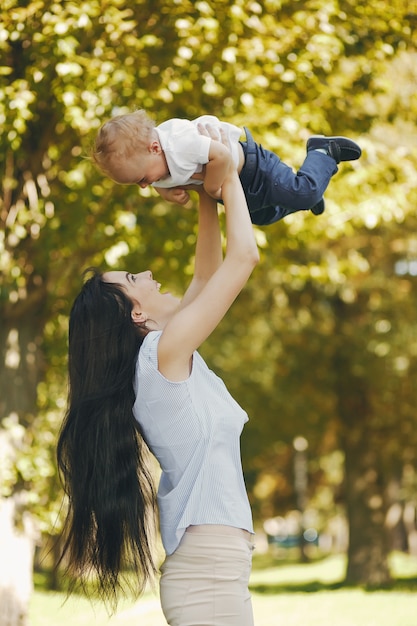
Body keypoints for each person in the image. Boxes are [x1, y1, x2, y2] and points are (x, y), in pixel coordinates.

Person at [56, 127, 260, 625]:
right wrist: (226, 171)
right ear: (134, 316)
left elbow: (206, 277)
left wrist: (202, 193)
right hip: (208, 571)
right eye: (131, 280)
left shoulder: (160, 354)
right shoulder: (162, 358)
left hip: (215, 567)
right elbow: (244, 258)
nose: (145, 274)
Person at [91, 110, 361, 225]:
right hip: (240, 189)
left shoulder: (179, 142)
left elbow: (219, 154)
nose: (143, 186)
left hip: (255, 169)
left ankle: (322, 152)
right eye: (138, 184)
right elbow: (159, 179)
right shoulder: (152, 166)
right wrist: (164, 191)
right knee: (263, 218)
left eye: (141, 179)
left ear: (154, 147)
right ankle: (306, 194)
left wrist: (210, 186)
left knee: (303, 192)